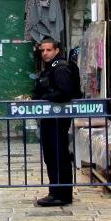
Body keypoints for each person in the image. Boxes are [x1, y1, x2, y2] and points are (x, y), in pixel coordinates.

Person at [32, 37, 81, 207]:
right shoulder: (52, 68)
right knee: (52, 156)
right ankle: (56, 192)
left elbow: (64, 92)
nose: (45, 53)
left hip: (57, 119)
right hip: (51, 119)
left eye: (48, 50)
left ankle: (60, 194)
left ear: (56, 50)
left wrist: (43, 99)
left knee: (57, 156)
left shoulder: (60, 68)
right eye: (42, 50)